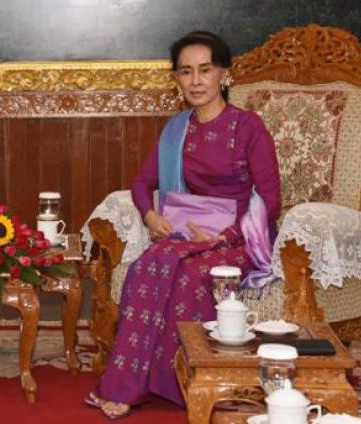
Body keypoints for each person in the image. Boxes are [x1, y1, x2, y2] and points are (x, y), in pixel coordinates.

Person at [85, 31, 281, 419]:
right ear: (176, 78)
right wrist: (150, 215)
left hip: (242, 238)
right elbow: (142, 183)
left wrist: (224, 235)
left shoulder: (248, 127)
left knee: (192, 275)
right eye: (185, 72)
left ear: (225, 74)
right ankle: (128, 384)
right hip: (187, 235)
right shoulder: (177, 130)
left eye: (205, 70)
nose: (195, 81)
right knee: (146, 266)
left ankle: (183, 382)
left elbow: (270, 200)